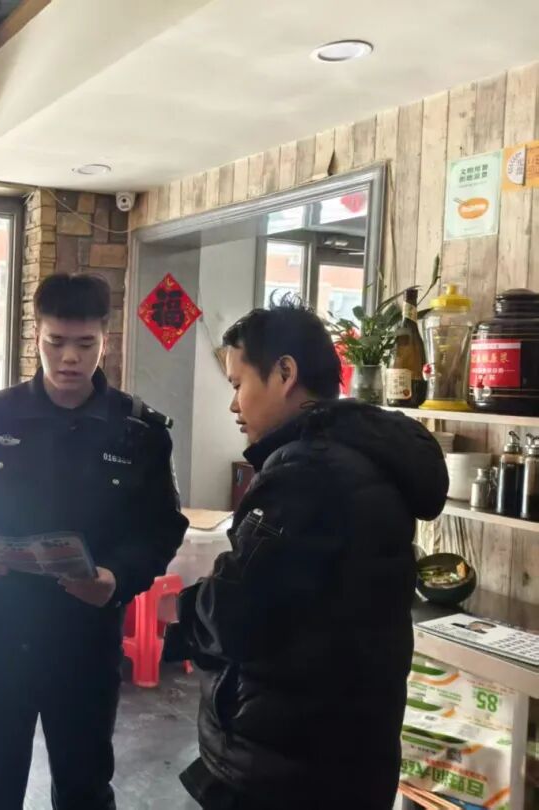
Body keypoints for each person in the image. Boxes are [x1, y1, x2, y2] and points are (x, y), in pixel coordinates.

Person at [167, 299, 448, 810]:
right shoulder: (362, 458)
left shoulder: (306, 474)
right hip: (348, 755)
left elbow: (237, 615)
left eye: (237, 384)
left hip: (284, 767)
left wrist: (184, 609)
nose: (233, 406)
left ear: (285, 373)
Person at [0, 272, 189, 810]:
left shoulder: (138, 430)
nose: (70, 358)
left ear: (105, 341)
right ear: (36, 336)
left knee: (84, 786)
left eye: (85, 344)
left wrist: (118, 577)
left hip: (85, 636)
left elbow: (162, 528)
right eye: (56, 342)